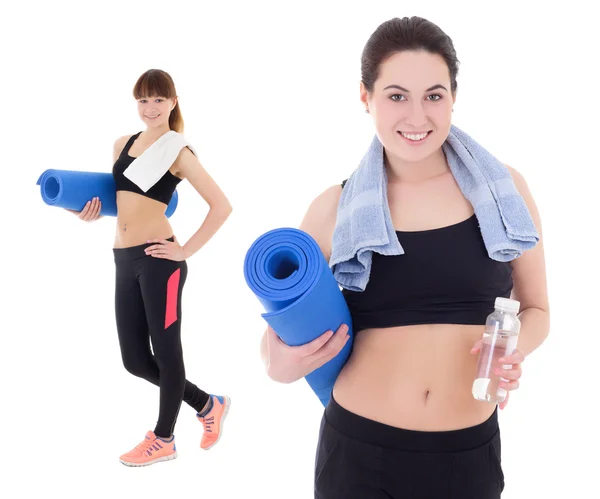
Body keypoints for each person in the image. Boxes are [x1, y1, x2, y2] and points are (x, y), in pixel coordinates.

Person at [260, 17, 549, 498]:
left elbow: (538, 310)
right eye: (397, 96)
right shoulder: (334, 207)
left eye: (434, 95)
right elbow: (274, 348)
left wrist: (516, 349)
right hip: (357, 451)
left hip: (467, 455)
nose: (417, 117)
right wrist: (284, 364)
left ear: (453, 97)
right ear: (365, 97)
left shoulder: (504, 192)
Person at [70, 69, 233, 467]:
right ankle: (207, 404)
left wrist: (185, 252)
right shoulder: (121, 144)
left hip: (161, 260)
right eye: (143, 100)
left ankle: (164, 439)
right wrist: (89, 213)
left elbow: (222, 206)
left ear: (172, 103)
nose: (150, 108)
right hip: (123, 258)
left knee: (166, 350)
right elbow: (120, 201)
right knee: (134, 360)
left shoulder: (178, 151)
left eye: (158, 100)